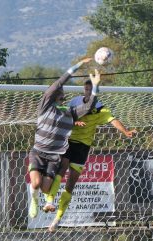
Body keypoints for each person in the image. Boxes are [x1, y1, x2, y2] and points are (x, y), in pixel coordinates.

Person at [43, 79, 137, 231]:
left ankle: (57, 219)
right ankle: (50, 200)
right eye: (86, 89)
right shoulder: (75, 102)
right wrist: (73, 121)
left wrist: (125, 131)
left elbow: (113, 120)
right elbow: (62, 113)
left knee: (71, 184)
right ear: (84, 90)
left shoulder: (100, 109)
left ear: (95, 92)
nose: (87, 92)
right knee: (63, 166)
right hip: (69, 142)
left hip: (83, 148)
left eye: (91, 90)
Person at [28, 58, 101, 219]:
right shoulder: (45, 107)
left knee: (47, 188)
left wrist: (95, 86)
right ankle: (33, 200)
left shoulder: (71, 113)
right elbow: (58, 83)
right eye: (57, 98)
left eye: (62, 98)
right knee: (36, 183)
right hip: (39, 152)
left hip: (54, 157)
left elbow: (89, 106)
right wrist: (76, 67)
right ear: (52, 98)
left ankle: (46, 198)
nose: (60, 100)